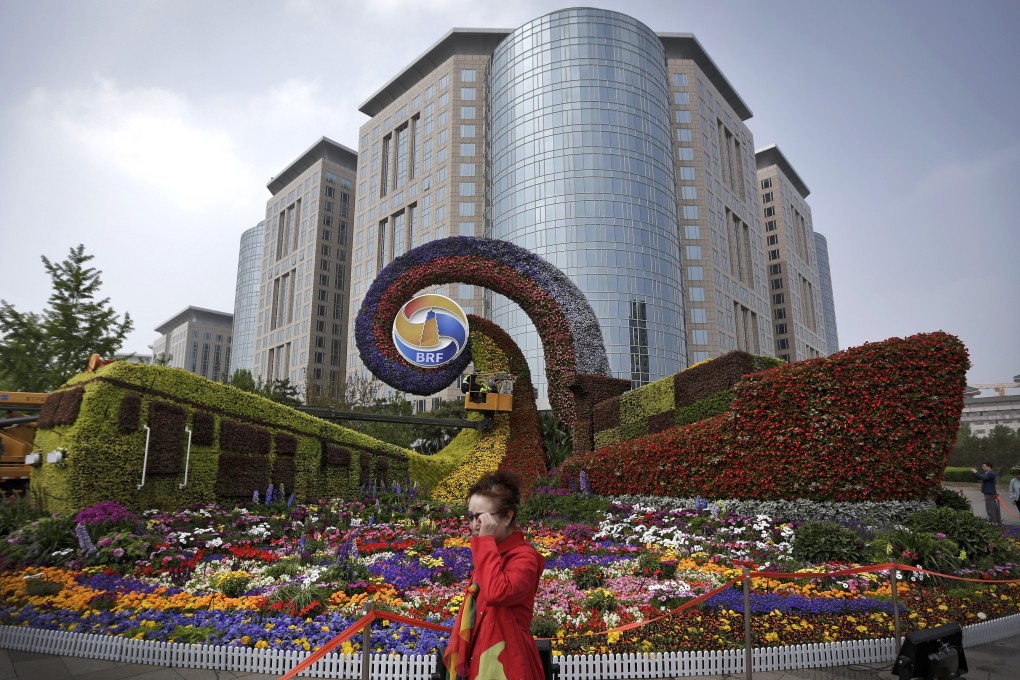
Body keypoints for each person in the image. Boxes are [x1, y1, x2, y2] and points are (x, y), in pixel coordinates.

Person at [443, 471, 545, 680]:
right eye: (470, 517)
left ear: (507, 516)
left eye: (482, 517)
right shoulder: (491, 554)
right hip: (480, 663)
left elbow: (497, 593)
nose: (475, 524)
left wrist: (486, 543)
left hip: (508, 666)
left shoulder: (525, 557)